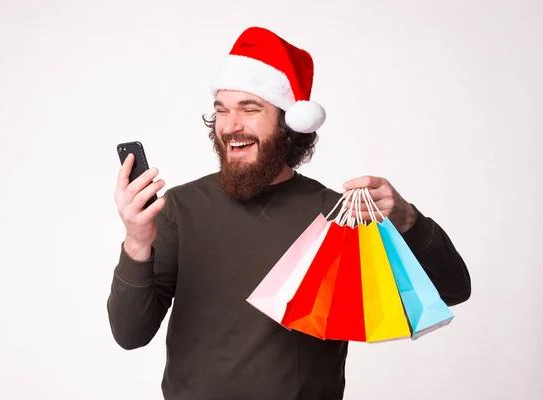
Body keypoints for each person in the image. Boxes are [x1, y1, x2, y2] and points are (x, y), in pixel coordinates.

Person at [107, 26, 471, 400]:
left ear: (289, 123)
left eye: (250, 109)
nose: (231, 126)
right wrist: (137, 242)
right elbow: (130, 334)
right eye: (222, 111)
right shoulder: (178, 210)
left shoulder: (338, 216)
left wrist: (407, 219)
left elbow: (451, 291)